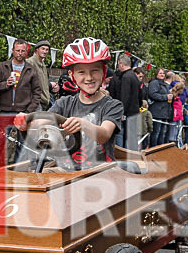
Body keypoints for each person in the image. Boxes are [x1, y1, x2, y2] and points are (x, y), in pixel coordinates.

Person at [16, 37, 122, 168]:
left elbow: (104, 134)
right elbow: (42, 121)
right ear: (72, 75)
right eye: (81, 72)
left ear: (104, 72)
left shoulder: (113, 105)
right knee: (31, 174)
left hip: (100, 171)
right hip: (66, 169)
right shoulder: (64, 103)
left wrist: (84, 124)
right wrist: (26, 121)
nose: (89, 77)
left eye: (95, 70)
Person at [0, 38, 42, 162]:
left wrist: (28, 110)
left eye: (22, 51)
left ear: (26, 52)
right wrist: (5, 84)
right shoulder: (3, 67)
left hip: (23, 112)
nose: (20, 53)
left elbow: (37, 92)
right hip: (6, 111)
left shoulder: (31, 69)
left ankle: (18, 169)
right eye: (18, 50)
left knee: (22, 144)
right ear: (13, 51)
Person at [113, 54, 141, 150]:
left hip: (127, 112)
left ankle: (122, 154)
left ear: (121, 64)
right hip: (135, 111)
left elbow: (125, 96)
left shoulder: (125, 77)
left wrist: (122, 112)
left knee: (121, 135)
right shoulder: (134, 76)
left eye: (118, 64)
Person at [26, 39, 58, 110]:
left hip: (44, 102)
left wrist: (53, 87)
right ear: (37, 49)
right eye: (43, 49)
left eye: (47, 50)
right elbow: (26, 84)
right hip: (35, 102)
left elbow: (43, 83)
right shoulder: (29, 63)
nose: (45, 51)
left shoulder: (43, 64)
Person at [147, 68, 172, 146]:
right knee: (156, 133)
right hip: (156, 112)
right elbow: (153, 94)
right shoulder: (154, 83)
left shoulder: (165, 84)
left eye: (163, 73)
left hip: (164, 112)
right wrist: (165, 97)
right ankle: (153, 148)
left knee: (162, 133)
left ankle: (160, 149)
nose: (162, 75)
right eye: (160, 73)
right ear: (156, 74)